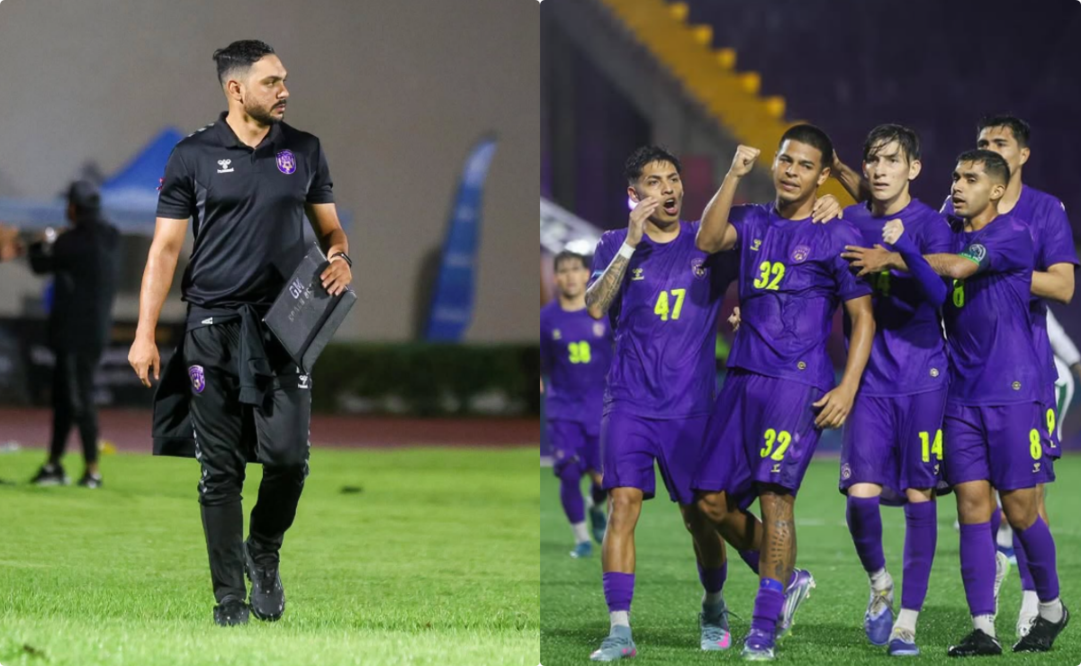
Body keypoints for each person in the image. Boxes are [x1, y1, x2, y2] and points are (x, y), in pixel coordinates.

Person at [127, 40, 351, 627]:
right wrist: (145, 333)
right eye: (272, 81)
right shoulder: (192, 156)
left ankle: (264, 550)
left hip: (285, 329)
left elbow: (331, 232)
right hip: (210, 327)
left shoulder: (304, 151)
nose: (285, 91)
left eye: (284, 80)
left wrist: (341, 256)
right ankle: (229, 598)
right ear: (236, 89)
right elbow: (165, 251)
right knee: (218, 469)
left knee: (288, 460)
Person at [692, 125, 875, 661]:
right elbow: (706, 240)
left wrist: (847, 386)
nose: (792, 171)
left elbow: (862, 319)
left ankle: (762, 631)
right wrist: (731, 174)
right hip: (743, 377)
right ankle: (788, 580)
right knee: (709, 502)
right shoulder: (749, 220)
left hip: (798, 383)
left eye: (804, 165)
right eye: (786, 160)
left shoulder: (836, 233)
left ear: (822, 176)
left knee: (777, 499)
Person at [882, 150, 1068, 655]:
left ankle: (1051, 608)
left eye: (971, 179)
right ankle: (984, 627)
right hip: (960, 394)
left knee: (1022, 509)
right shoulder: (951, 233)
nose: (958, 185)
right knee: (972, 509)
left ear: (998, 190)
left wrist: (901, 256)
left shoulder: (1012, 235)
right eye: (956, 176)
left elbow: (960, 268)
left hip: (1012, 393)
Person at [835, 125, 952, 656]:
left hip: (924, 379)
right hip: (871, 383)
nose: (881, 170)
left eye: (892, 160)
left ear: (914, 168)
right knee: (860, 501)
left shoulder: (932, 224)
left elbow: (940, 295)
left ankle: (907, 621)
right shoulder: (850, 220)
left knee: (917, 496)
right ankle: (880, 584)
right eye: (873, 160)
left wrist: (900, 251)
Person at [29, 180, 120, 488]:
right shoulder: (109, 236)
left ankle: (92, 471)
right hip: (95, 331)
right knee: (67, 401)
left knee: (78, 399)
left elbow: (40, 264)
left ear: (73, 207)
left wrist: (37, 243)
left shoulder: (73, 242)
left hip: (73, 335)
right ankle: (54, 465)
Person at [540, 249, 613, 558]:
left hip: (600, 407)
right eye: (564, 270)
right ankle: (581, 539)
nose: (570, 276)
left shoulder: (604, 312)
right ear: (555, 278)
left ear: (587, 275)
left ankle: (595, 504)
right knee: (568, 472)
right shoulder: (546, 319)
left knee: (604, 479)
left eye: (576, 269)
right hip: (564, 408)